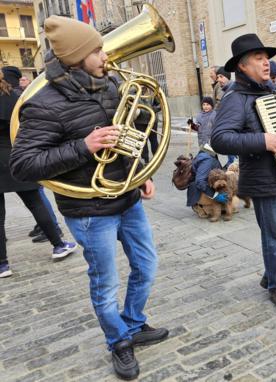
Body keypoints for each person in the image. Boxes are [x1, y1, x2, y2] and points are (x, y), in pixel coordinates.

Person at [9, 16, 168, 380]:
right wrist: (83, 146)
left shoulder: (110, 82)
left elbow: (130, 132)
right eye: (96, 49)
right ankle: (119, 342)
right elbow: (23, 165)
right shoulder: (44, 103)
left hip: (126, 197)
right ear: (75, 57)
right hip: (89, 210)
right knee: (105, 282)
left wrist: (142, 171)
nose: (105, 54)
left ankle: (133, 323)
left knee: (147, 267)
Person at [211, 33, 276, 313]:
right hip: (264, 180)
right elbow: (220, 138)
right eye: (259, 58)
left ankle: (272, 273)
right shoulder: (235, 98)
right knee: (274, 235)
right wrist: (261, 141)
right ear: (242, 65)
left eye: (267, 58)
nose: (266, 63)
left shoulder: (271, 91)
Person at [1, 70, 77, 278]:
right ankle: (58, 245)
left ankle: (2, 264)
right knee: (36, 202)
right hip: (13, 155)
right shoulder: (13, 97)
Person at [186, 143, 227, 217]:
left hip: (202, 187)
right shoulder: (207, 160)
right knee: (220, 209)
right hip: (199, 190)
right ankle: (200, 206)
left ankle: (203, 205)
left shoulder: (208, 153)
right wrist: (215, 195)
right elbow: (200, 182)